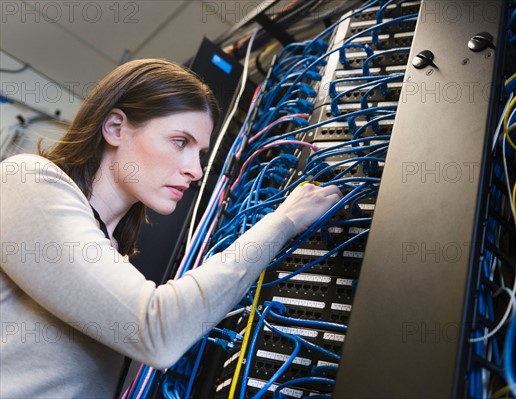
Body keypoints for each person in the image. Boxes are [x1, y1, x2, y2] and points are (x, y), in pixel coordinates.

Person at [0, 58, 342, 398]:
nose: (195, 170)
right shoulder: (27, 180)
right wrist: (283, 222)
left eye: (200, 153)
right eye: (180, 142)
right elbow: (158, 330)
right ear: (116, 128)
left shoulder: (115, 256)